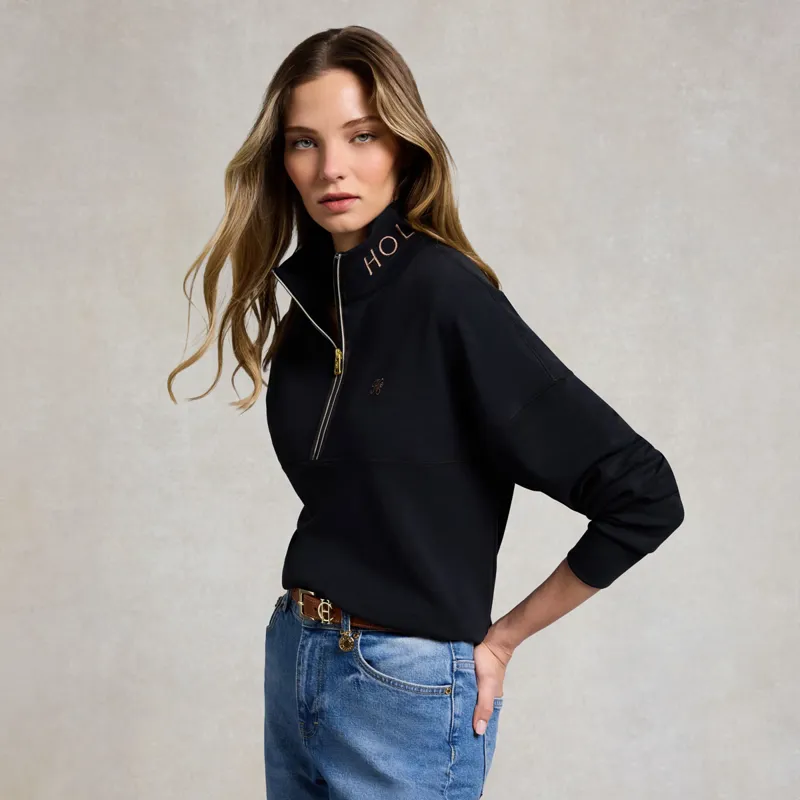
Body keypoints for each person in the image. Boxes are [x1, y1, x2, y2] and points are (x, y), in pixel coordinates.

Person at [167, 24, 685, 800]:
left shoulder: (446, 295)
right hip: (299, 655)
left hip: (402, 690)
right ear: (282, 161)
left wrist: (503, 640)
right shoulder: (313, 312)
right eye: (305, 142)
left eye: (361, 136)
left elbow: (644, 493)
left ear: (404, 149)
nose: (331, 167)